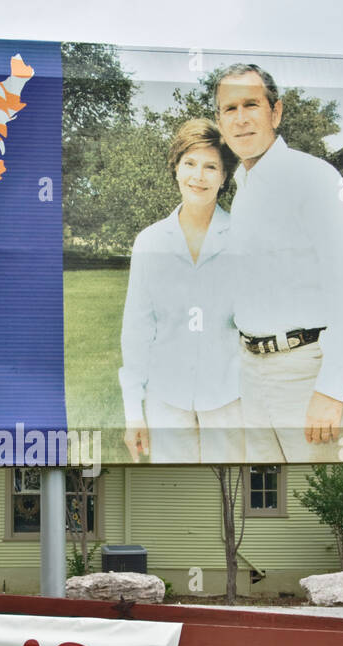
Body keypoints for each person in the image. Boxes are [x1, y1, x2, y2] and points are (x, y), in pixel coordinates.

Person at [215, 64, 343, 463]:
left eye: (251, 104)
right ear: (220, 122)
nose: (241, 118)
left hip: (306, 377)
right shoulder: (243, 187)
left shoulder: (315, 179)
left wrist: (330, 390)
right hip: (252, 376)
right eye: (229, 109)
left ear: (276, 112)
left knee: (322, 510)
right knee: (264, 503)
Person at [118, 119, 244, 463]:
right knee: (174, 494)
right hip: (166, 403)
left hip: (230, 402)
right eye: (189, 164)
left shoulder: (242, 238)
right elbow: (137, 331)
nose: (198, 176)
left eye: (210, 167)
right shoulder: (150, 242)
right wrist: (134, 413)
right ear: (176, 168)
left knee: (227, 501)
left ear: (224, 177)